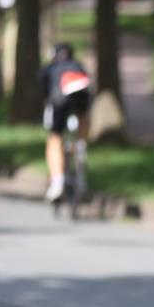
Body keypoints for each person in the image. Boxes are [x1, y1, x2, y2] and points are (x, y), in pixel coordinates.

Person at [40, 43, 91, 202]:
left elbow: (45, 93)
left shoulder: (50, 69)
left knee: (55, 138)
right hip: (80, 94)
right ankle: (81, 146)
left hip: (59, 98)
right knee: (83, 117)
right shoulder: (78, 66)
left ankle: (57, 181)